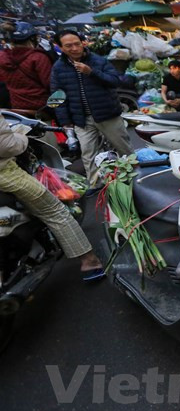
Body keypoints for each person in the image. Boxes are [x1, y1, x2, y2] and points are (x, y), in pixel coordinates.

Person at [0, 115, 104, 280]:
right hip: (6, 175)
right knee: (54, 211)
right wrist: (21, 137)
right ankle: (90, 262)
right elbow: (7, 145)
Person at [50, 30, 134, 187]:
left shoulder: (97, 60)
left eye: (77, 44)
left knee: (124, 149)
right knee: (88, 155)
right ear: (60, 48)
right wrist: (65, 122)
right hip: (82, 119)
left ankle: (136, 178)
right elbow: (58, 96)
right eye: (69, 46)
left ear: (83, 43)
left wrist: (91, 72)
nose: (74, 48)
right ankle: (95, 185)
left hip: (108, 115)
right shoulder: (58, 68)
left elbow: (115, 81)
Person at [0, 22, 53, 112]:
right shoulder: (38, 57)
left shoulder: (3, 57)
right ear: (32, 38)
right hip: (42, 110)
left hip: (16, 108)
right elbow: (51, 85)